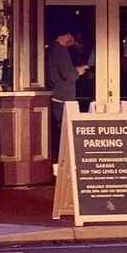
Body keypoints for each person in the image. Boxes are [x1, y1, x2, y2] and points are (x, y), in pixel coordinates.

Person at [46, 30, 87, 163]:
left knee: (60, 132)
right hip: (63, 98)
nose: (73, 42)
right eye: (72, 38)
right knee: (64, 133)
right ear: (67, 35)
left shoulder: (53, 49)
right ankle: (65, 162)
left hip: (57, 96)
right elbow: (69, 75)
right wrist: (78, 71)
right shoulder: (60, 50)